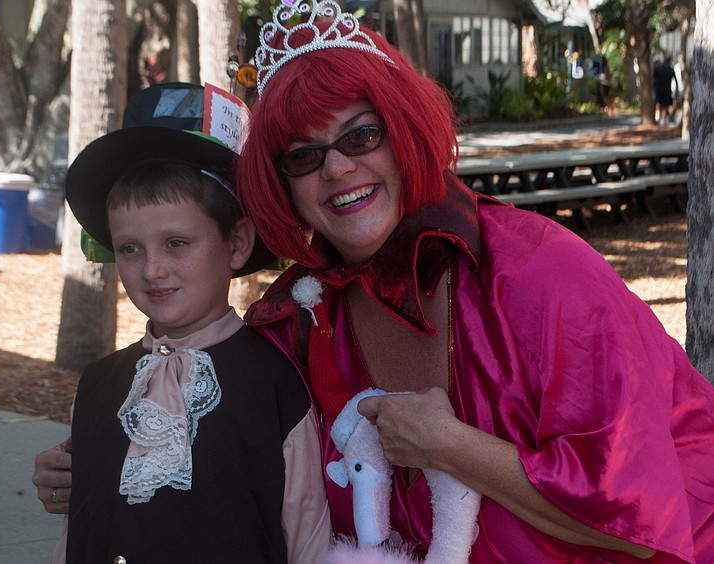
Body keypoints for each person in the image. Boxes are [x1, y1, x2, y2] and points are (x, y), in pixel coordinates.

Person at [233, 1, 714, 562]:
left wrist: (449, 446)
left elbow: (634, 515)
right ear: (282, 184)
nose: (336, 168)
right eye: (303, 156)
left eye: (361, 135)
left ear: (404, 131)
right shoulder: (297, 321)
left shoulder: (541, 273)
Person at [44, 92, 331, 562]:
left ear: (236, 243)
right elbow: (80, 530)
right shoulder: (97, 385)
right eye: (130, 248)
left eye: (176, 242)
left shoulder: (276, 386)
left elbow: (308, 535)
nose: (153, 269)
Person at [653, 53, 677, 125]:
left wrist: (653, 88)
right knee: (665, 105)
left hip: (658, 89)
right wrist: (677, 91)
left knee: (660, 104)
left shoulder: (658, 68)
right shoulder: (670, 69)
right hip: (667, 90)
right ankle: (662, 119)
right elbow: (675, 80)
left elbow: (653, 79)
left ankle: (661, 119)